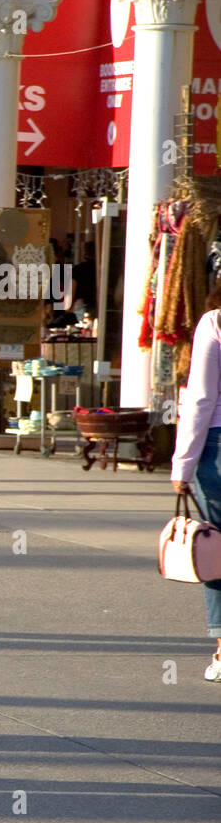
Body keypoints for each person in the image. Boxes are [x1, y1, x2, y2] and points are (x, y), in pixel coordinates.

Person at [171, 280, 221, 683]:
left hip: (218, 449)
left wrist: (182, 465)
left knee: (216, 548)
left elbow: (201, 399)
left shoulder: (215, 322)